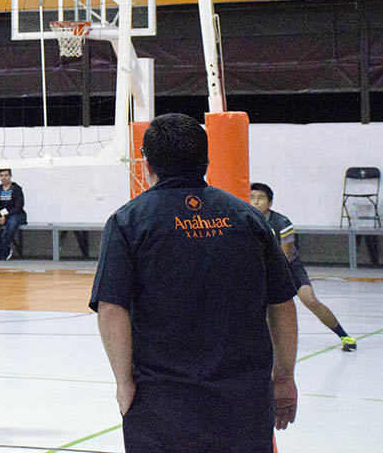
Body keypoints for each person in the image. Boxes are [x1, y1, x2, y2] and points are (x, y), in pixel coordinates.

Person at [91, 113, 299, 452]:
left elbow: (112, 308)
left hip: (161, 401)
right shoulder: (248, 217)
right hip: (243, 401)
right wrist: (285, 376)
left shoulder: (127, 221)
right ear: (206, 159)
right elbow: (282, 302)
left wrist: (123, 382)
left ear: (147, 163)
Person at [249, 182, 358, 352]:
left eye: (260, 198)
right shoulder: (246, 219)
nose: (255, 202)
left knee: (310, 300)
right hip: (261, 269)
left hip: (288, 268)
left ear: (270, 203)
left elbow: (285, 257)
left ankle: (344, 336)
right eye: (252, 198)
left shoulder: (282, 223)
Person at [0, 168, 27, 260]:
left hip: (15, 214)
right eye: (1, 176)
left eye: (6, 175)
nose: (4, 178)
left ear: (10, 176)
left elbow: (19, 206)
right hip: (0, 214)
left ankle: (0, 250)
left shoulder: (17, 189)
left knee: (12, 223)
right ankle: (6, 248)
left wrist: (6, 216)